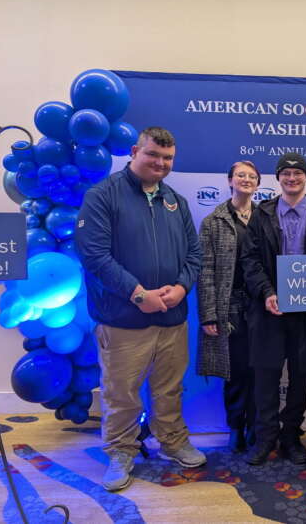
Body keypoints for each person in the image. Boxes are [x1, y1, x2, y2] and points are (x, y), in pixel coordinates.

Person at [75, 127, 205, 492]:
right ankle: (121, 451)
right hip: (123, 321)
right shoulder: (103, 196)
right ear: (135, 151)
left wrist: (182, 287)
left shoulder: (175, 201)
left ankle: (173, 441)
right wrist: (137, 294)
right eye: (153, 155)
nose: (160, 163)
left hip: (172, 319)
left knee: (170, 388)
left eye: (168, 158)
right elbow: (94, 255)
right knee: (122, 393)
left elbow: (194, 254)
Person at [240, 152, 306, 466]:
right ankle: (266, 437)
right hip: (269, 309)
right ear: (278, 178)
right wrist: (267, 292)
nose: (292, 178)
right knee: (266, 375)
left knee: (301, 375)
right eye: (286, 174)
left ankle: (291, 436)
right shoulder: (262, 214)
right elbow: (250, 259)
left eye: (297, 174)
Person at [197, 160, 261, 453]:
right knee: (235, 371)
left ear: (257, 183)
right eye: (240, 175)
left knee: (261, 369)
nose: (246, 179)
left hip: (261, 306)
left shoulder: (266, 218)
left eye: (251, 176)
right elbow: (205, 271)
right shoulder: (213, 221)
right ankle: (236, 427)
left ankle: (257, 427)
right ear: (230, 181)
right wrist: (208, 314)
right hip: (230, 307)